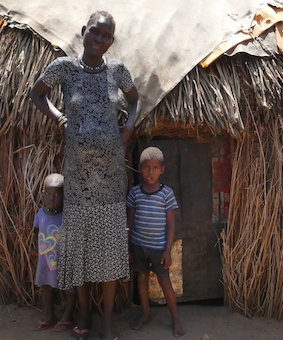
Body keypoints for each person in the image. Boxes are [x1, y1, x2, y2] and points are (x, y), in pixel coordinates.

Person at [30, 10, 139, 340]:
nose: (100, 39)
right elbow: (37, 94)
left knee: (107, 249)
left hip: (108, 179)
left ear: (111, 41)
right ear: (84, 31)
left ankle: (106, 319)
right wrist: (61, 119)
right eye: (96, 32)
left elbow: (134, 101)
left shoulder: (118, 72)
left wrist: (128, 129)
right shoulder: (64, 68)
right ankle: (85, 313)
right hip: (77, 178)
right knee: (78, 250)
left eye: (107, 36)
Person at [126, 147, 185, 338]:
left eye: (154, 168)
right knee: (141, 278)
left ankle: (175, 318)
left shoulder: (166, 194)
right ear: (139, 168)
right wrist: (128, 247)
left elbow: (171, 223)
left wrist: (168, 249)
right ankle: (145, 314)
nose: (150, 172)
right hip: (138, 245)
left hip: (159, 248)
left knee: (164, 281)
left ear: (162, 169)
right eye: (146, 168)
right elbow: (130, 221)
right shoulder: (135, 193)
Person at [31, 173, 76, 332]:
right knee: (45, 286)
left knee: (69, 288)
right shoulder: (40, 214)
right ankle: (50, 315)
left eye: (56, 195)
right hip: (45, 262)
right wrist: (35, 250)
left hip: (63, 261)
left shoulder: (68, 216)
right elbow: (37, 233)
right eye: (48, 194)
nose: (51, 198)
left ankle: (67, 316)